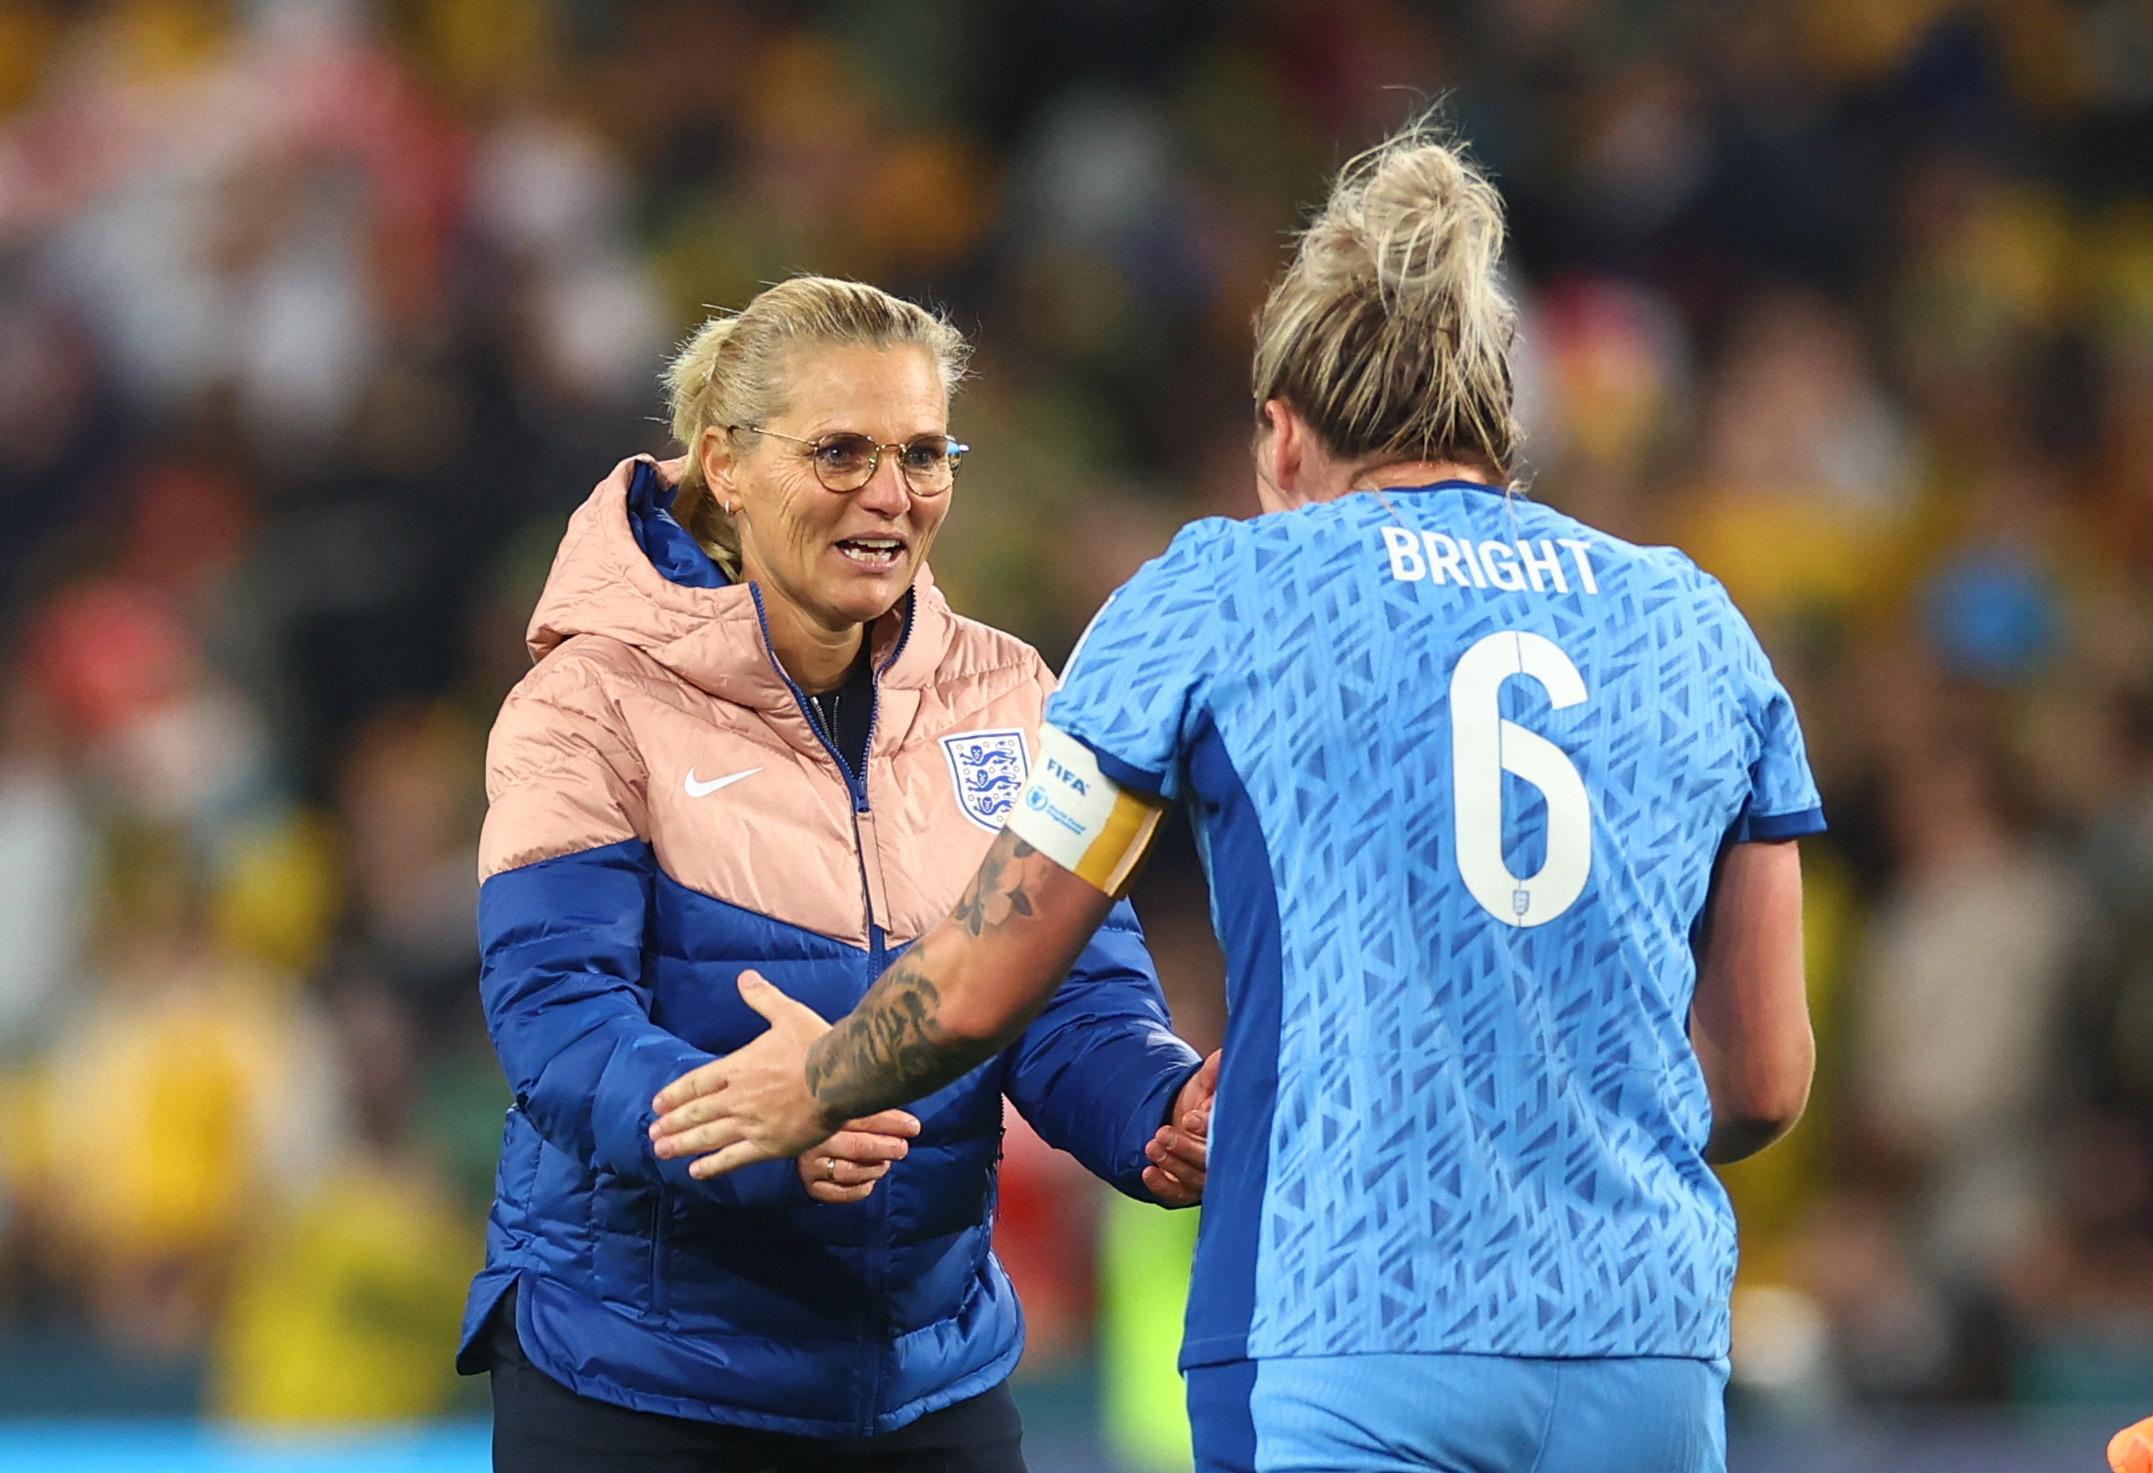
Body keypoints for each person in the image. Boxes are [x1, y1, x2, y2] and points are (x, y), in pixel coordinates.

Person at [648, 127, 1823, 1473]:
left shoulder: (1220, 592)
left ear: (1280, 435)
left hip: (1343, 1334)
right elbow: (1761, 1078)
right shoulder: (1694, 621)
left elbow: (984, 975)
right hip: (1646, 1343)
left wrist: (818, 1080)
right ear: (1502, 431)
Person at [460, 275, 1219, 1473]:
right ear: (726, 463)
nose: (890, 495)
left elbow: (1065, 991)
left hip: (928, 1381)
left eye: (923, 454)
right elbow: (558, 1025)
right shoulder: (586, 702)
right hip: (639, 1385)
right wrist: (760, 1123)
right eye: (840, 452)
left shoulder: (1008, 692)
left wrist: (1159, 1111)